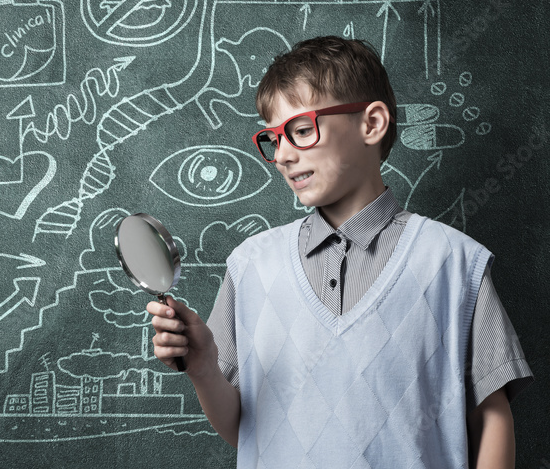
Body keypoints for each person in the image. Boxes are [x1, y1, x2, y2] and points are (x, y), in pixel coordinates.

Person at [147, 36, 533, 468]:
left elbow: (492, 417)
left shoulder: (454, 262)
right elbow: (245, 427)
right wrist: (202, 369)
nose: (285, 156)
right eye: (274, 139)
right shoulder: (251, 265)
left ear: (371, 123)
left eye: (301, 129)